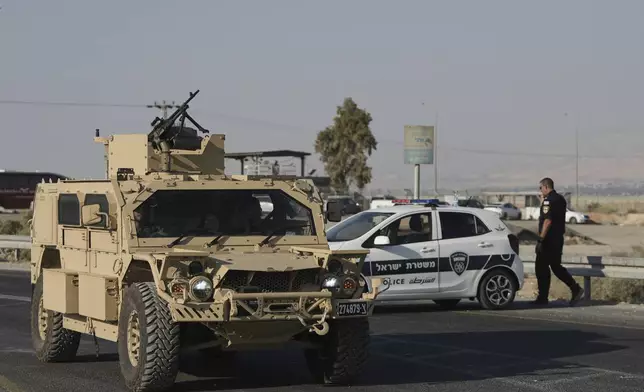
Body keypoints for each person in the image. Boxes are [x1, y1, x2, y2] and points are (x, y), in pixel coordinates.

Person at [532, 177, 584, 306]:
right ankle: (575, 288)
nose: (540, 191)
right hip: (558, 239)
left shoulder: (548, 201)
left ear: (545, 187)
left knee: (541, 267)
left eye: (540, 188)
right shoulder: (560, 199)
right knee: (555, 266)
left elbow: (547, 220)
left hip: (548, 240)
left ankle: (542, 298)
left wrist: (540, 239)